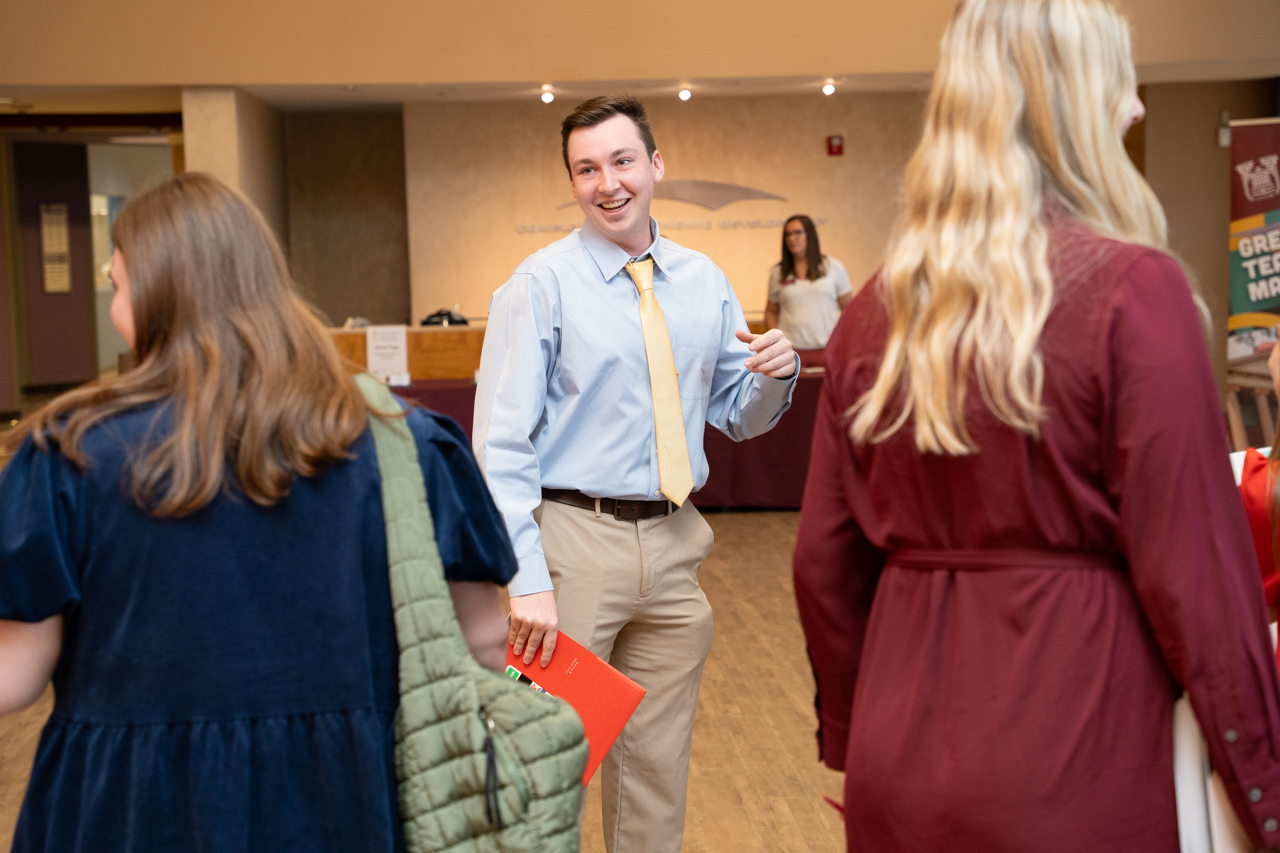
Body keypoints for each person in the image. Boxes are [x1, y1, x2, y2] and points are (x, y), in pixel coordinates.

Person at [792, 1, 1280, 850]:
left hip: (896, 762)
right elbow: (1199, 580)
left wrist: (852, 724)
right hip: (1081, 754)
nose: (1134, 108)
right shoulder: (1136, 291)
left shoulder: (871, 311)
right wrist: (1266, 788)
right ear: (1075, 104)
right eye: (1118, 84)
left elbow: (822, 564)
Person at [0, 173, 516, 852]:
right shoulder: (406, 443)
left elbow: (15, 675)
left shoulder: (67, 453)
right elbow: (484, 641)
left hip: (129, 806)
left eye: (117, 284)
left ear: (153, 293)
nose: (116, 306)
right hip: (350, 795)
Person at [473, 95, 798, 853]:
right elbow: (501, 447)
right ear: (574, 181)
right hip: (573, 548)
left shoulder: (701, 279)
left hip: (676, 549)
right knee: (545, 765)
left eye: (621, 161)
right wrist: (526, 582)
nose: (606, 182)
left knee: (655, 774)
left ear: (655, 165)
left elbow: (738, 413)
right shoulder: (540, 284)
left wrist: (777, 377)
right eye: (586, 169)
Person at [764, 215, 854, 365]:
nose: (792, 238)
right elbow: (770, 311)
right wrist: (778, 339)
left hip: (827, 349)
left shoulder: (833, 266)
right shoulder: (778, 272)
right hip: (789, 352)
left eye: (797, 232)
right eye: (788, 234)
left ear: (810, 235)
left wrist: (839, 337)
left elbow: (849, 308)